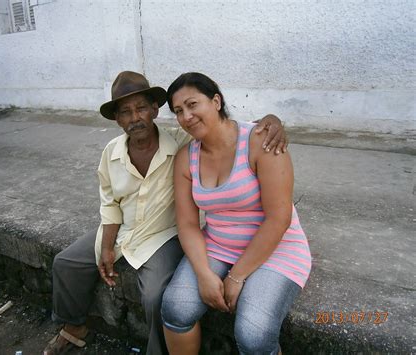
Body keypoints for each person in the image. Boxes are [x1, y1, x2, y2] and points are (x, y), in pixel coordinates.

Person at [43, 71, 287, 355]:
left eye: (141, 108)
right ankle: (73, 327)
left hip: (163, 234)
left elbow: (225, 129)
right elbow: (109, 202)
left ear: (155, 110)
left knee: (157, 295)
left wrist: (273, 121)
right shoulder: (111, 153)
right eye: (125, 112)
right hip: (125, 229)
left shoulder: (182, 141)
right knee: (65, 263)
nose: (135, 118)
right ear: (117, 119)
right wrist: (107, 245)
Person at [161, 72, 312, 355]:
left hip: (277, 249)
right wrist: (204, 274)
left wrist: (236, 276)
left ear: (216, 101)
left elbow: (279, 219)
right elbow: (188, 224)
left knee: (254, 335)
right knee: (175, 308)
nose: (186, 116)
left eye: (193, 104)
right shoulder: (186, 157)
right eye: (178, 111)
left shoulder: (260, 141)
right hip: (218, 245)